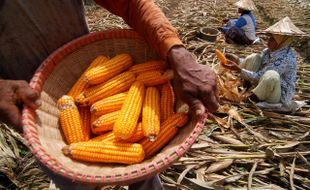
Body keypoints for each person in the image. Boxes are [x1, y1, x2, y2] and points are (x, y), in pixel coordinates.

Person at [0, 0, 219, 189]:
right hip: (33, 103)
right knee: (77, 184)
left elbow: (130, 3)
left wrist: (175, 50)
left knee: (144, 177)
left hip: (83, 68)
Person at [222, 17, 307, 112]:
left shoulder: (285, 59)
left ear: (281, 42)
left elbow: (260, 76)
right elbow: (258, 65)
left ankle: (251, 99)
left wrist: (239, 70)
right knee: (255, 57)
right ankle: (246, 87)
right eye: (270, 37)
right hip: (265, 85)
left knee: (271, 75)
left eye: (273, 39)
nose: (269, 41)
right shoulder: (270, 51)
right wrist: (237, 60)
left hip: (276, 95)